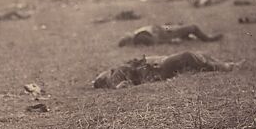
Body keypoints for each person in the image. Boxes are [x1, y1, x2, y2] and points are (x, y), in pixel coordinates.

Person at [92, 51, 235, 89]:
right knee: (187, 55)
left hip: (158, 65)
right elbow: (117, 85)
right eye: (100, 76)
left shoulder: (117, 71)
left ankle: (225, 64)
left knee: (194, 55)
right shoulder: (117, 73)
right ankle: (224, 67)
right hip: (157, 71)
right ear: (103, 78)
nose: (102, 72)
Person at [117, 24, 222, 47]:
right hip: (167, 33)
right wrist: (170, 41)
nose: (127, 34)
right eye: (125, 37)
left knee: (183, 27)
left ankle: (187, 37)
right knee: (193, 27)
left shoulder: (137, 33)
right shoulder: (139, 36)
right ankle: (208, 39)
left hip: (166, 29)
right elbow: (154, 41)